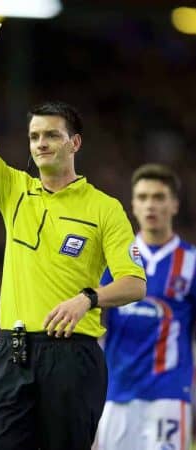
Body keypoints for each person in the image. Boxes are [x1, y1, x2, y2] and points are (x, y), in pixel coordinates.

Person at [0, 40, 147, 450]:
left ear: (74, 143)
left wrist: (88, 299)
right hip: (13, 351)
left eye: (52, 136)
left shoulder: (104, 208)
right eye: (35, 136)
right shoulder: (14, 191)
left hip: (73, 356)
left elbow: (134, 283)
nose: (40, 143)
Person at [96, 164, 196, 450]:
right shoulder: (113, 260)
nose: (150, 205)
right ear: (133, 205)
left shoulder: (190, 263)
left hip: (168, 394)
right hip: (116, 394)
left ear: (174, 204)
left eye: (158, 197)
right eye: (142, 197)